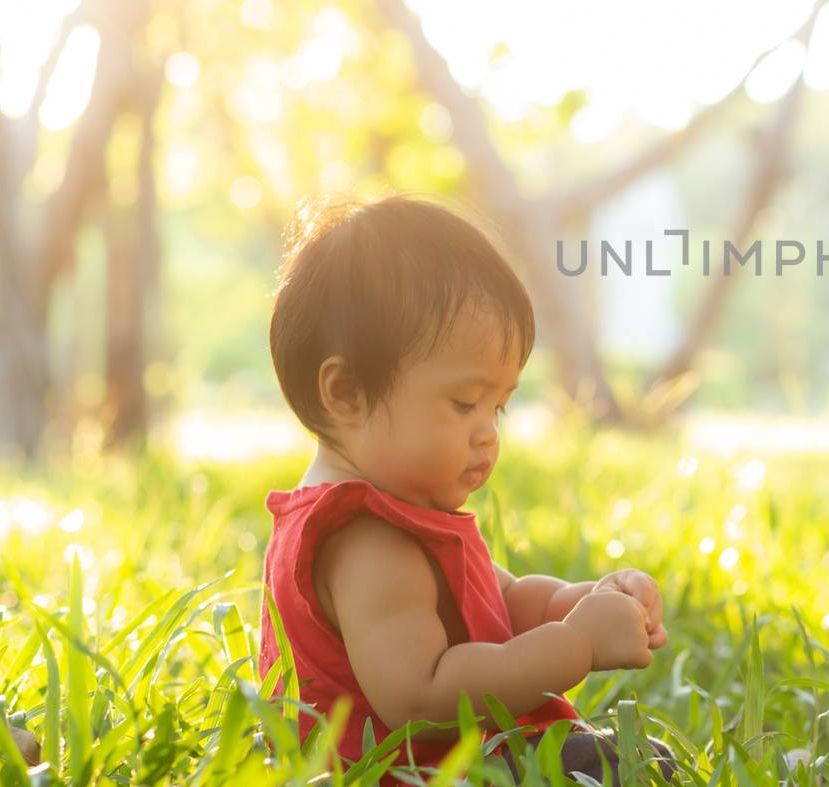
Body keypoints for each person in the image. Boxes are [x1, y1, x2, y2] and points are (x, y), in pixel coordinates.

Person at [256, 194, 677, 782]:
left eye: (499, 408)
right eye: (464, 404)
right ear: (346, 393)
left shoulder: (401, 512)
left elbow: (502, 602)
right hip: (406, 774)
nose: (487, 436)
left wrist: (587, 600)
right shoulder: (365, 543)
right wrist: (576, 645)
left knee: (627, 762)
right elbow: (423, 700)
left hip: (471, 764)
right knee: (612, 767)